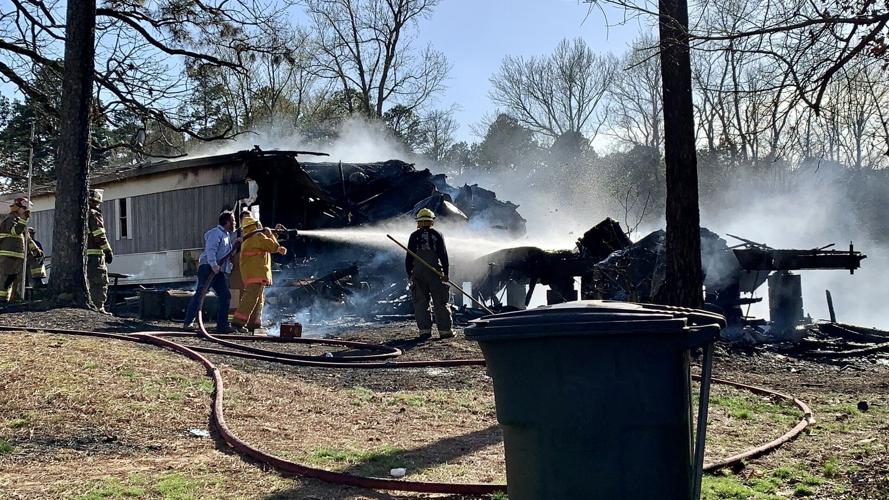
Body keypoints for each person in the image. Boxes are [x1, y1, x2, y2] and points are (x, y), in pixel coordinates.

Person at [184, 211, 238, 333]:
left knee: (225, 295)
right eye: (233, 220)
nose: (235, 223)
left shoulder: (226, 236)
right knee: (201, 294)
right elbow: (210, 250)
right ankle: (188, 323)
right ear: (227, 222)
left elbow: (228, 254)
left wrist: (236, 244)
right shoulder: (216, 233)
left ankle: (222, 325)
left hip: (217, 270)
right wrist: (213, 264)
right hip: (208, 267)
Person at [232, 214, 287, 333]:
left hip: (254, 274)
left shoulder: (250, 238)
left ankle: (255, 324)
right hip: (256, 274)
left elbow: (266, 245)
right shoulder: (257, 236)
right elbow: (272, 246)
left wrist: (274, 234)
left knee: (258, 300)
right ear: (256, 225)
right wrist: (271, 235)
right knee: (250, 299)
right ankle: (237, 323)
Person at [406, 208, 453, 339]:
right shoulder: (437, 234)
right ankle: (445, 331)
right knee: (440, 302)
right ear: (431, 221)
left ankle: (425, 331)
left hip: (418, 274)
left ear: (418, 222)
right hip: (435, 272)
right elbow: (443, 255)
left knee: (421, 302)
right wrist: (445, 273)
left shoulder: (413, 236)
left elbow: (409, 258)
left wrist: (409, 274)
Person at [86, 189, 113, 314]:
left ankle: (90, 304)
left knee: (88, 281)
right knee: (99, 281)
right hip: (95, 255)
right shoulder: (94, 214)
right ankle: (98, 306)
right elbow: (99, 234)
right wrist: (107, 250)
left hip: (84, 256)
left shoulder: (82, 215)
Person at [0, 197, 30, 302]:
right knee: (5, 278)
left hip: (16, 255)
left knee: (13, 279)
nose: (25, 211)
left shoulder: (17, 218)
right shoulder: (10, 219)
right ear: (17, 207)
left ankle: (11, 299)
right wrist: (23, 219)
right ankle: (2, 299)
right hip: (8, 255)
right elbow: (15, 232)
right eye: (24, 208)